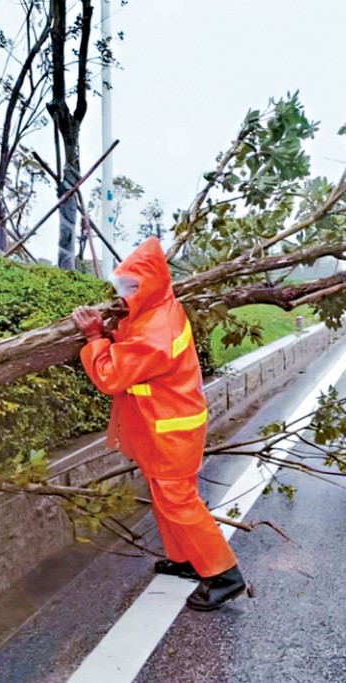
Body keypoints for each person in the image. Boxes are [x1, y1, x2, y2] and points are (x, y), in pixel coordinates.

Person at [71, 236, 246, 611]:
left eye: (131, 288)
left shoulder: (154, 331)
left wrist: (94, 337)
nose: (122, 295)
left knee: (179, 501)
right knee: (167, 498)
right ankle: (185, 560)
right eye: (123, 287)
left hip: (170, 430)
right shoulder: (157, 309)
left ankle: (224, 574)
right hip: (166, 426)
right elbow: (132, 346)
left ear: (150, 285)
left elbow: (111, 376)